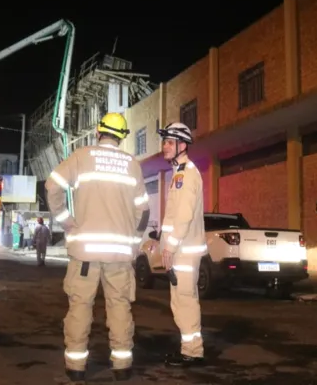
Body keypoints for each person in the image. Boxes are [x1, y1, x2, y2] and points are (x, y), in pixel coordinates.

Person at [45, 112, 150, 383]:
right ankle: (122, 365)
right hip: (119, 254)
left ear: (98, 132)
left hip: (85, 253)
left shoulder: (82, 156)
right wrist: (134, 239)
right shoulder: (132, 164)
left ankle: (76, 366)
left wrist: (65, 220)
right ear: (123, 137)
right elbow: (144, 211)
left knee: (80, 306)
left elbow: (52, 186)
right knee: (119, 307)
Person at [157, 122, 207, 368]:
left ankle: (192, 352)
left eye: (169, 142)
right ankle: (189, 349)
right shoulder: (180, 172)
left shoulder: (187, 174)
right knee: (180, 301)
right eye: (164, 141)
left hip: (183, 253)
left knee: (184, 301)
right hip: (180, 252)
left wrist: (170, 246)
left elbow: (184, 216)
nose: (164, 146)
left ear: (182, 145)